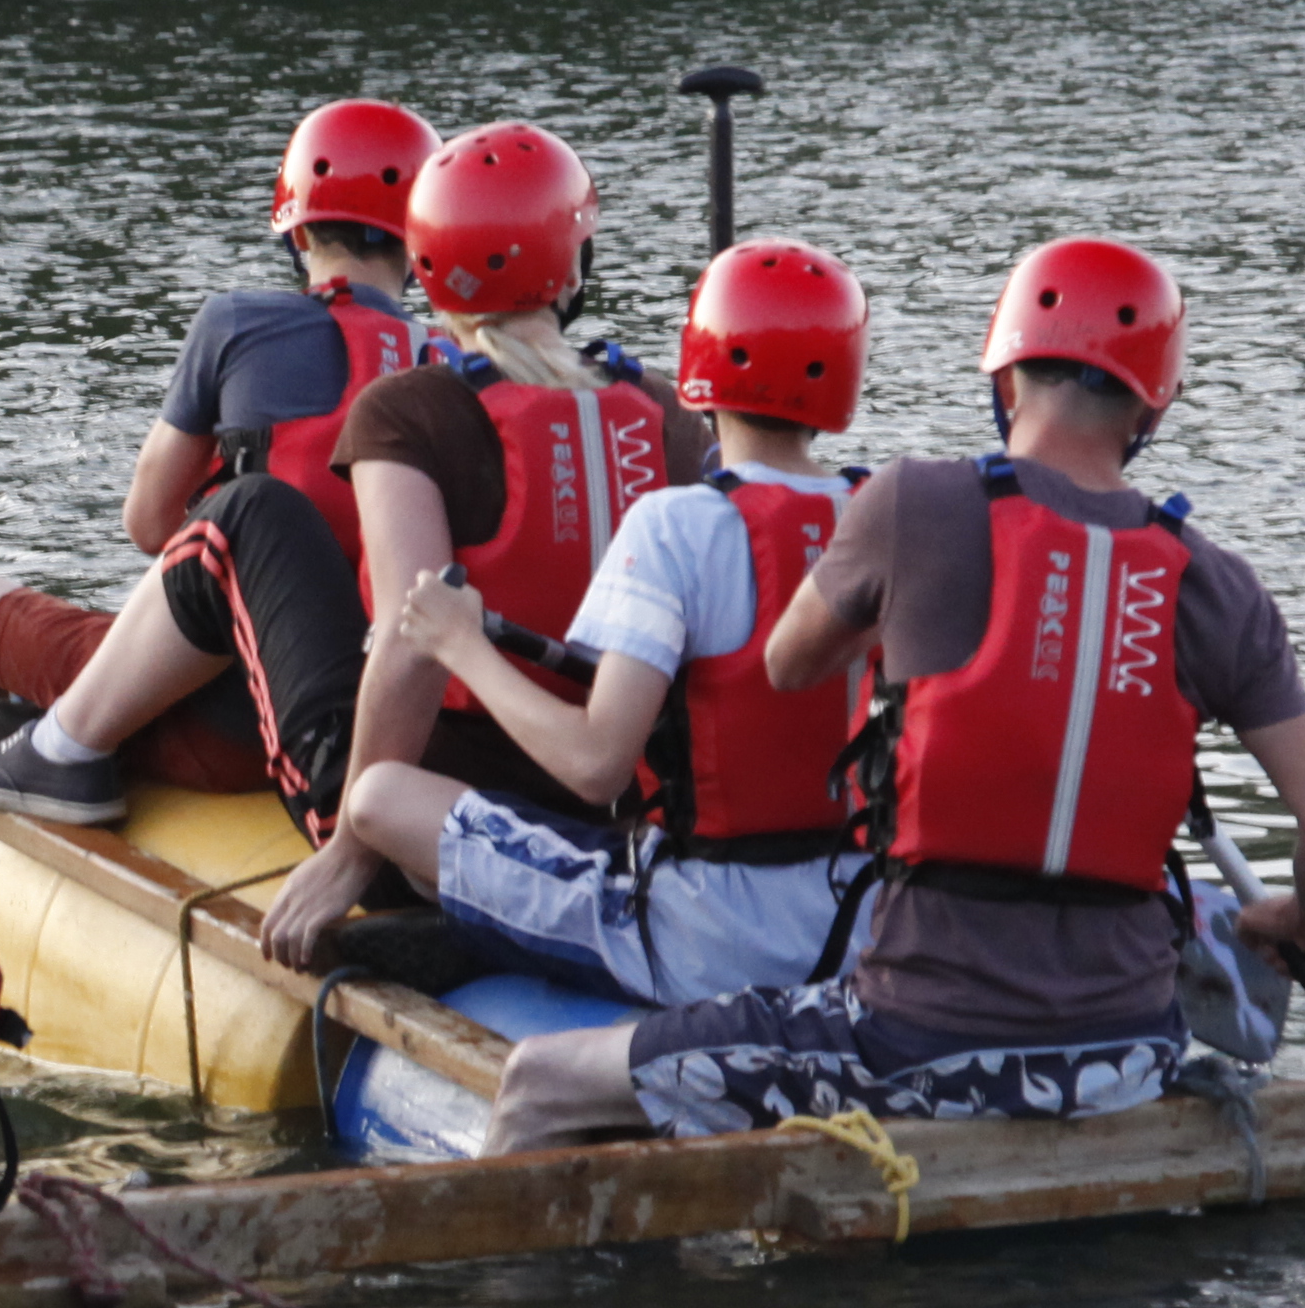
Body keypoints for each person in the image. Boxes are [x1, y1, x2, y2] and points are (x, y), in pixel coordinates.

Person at [485, 238, 1305, 1152]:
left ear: (1005, 375)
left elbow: (790, 664)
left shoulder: (916, 504)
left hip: (914, 1044)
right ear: (1153, 406)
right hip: (1129, 1055)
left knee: (539, 1082)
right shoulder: (1217, 585)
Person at [0, 118, 660, 839]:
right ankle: (54, 736)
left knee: (235, 512)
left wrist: (350, 857)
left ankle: (57, 749)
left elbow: (151, 528)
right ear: (576, 269)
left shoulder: (399, 404)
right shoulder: (658, 412)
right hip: (591, 789)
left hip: (371, 771)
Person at [260, 234, 874, 1001]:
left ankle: (491, 940)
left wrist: (464, 642)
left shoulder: (675, 524)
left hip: (698, 927)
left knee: (376, 796)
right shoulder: (883, 517)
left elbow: (596, 765)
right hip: (853, 911)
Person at [0, 98, 440, 797]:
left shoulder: (238, 322)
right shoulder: (449, 367)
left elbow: (149, 523)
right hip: (379, 713)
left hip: (226, 724)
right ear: (422, 243)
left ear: (296, 233)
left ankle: (52, 741)